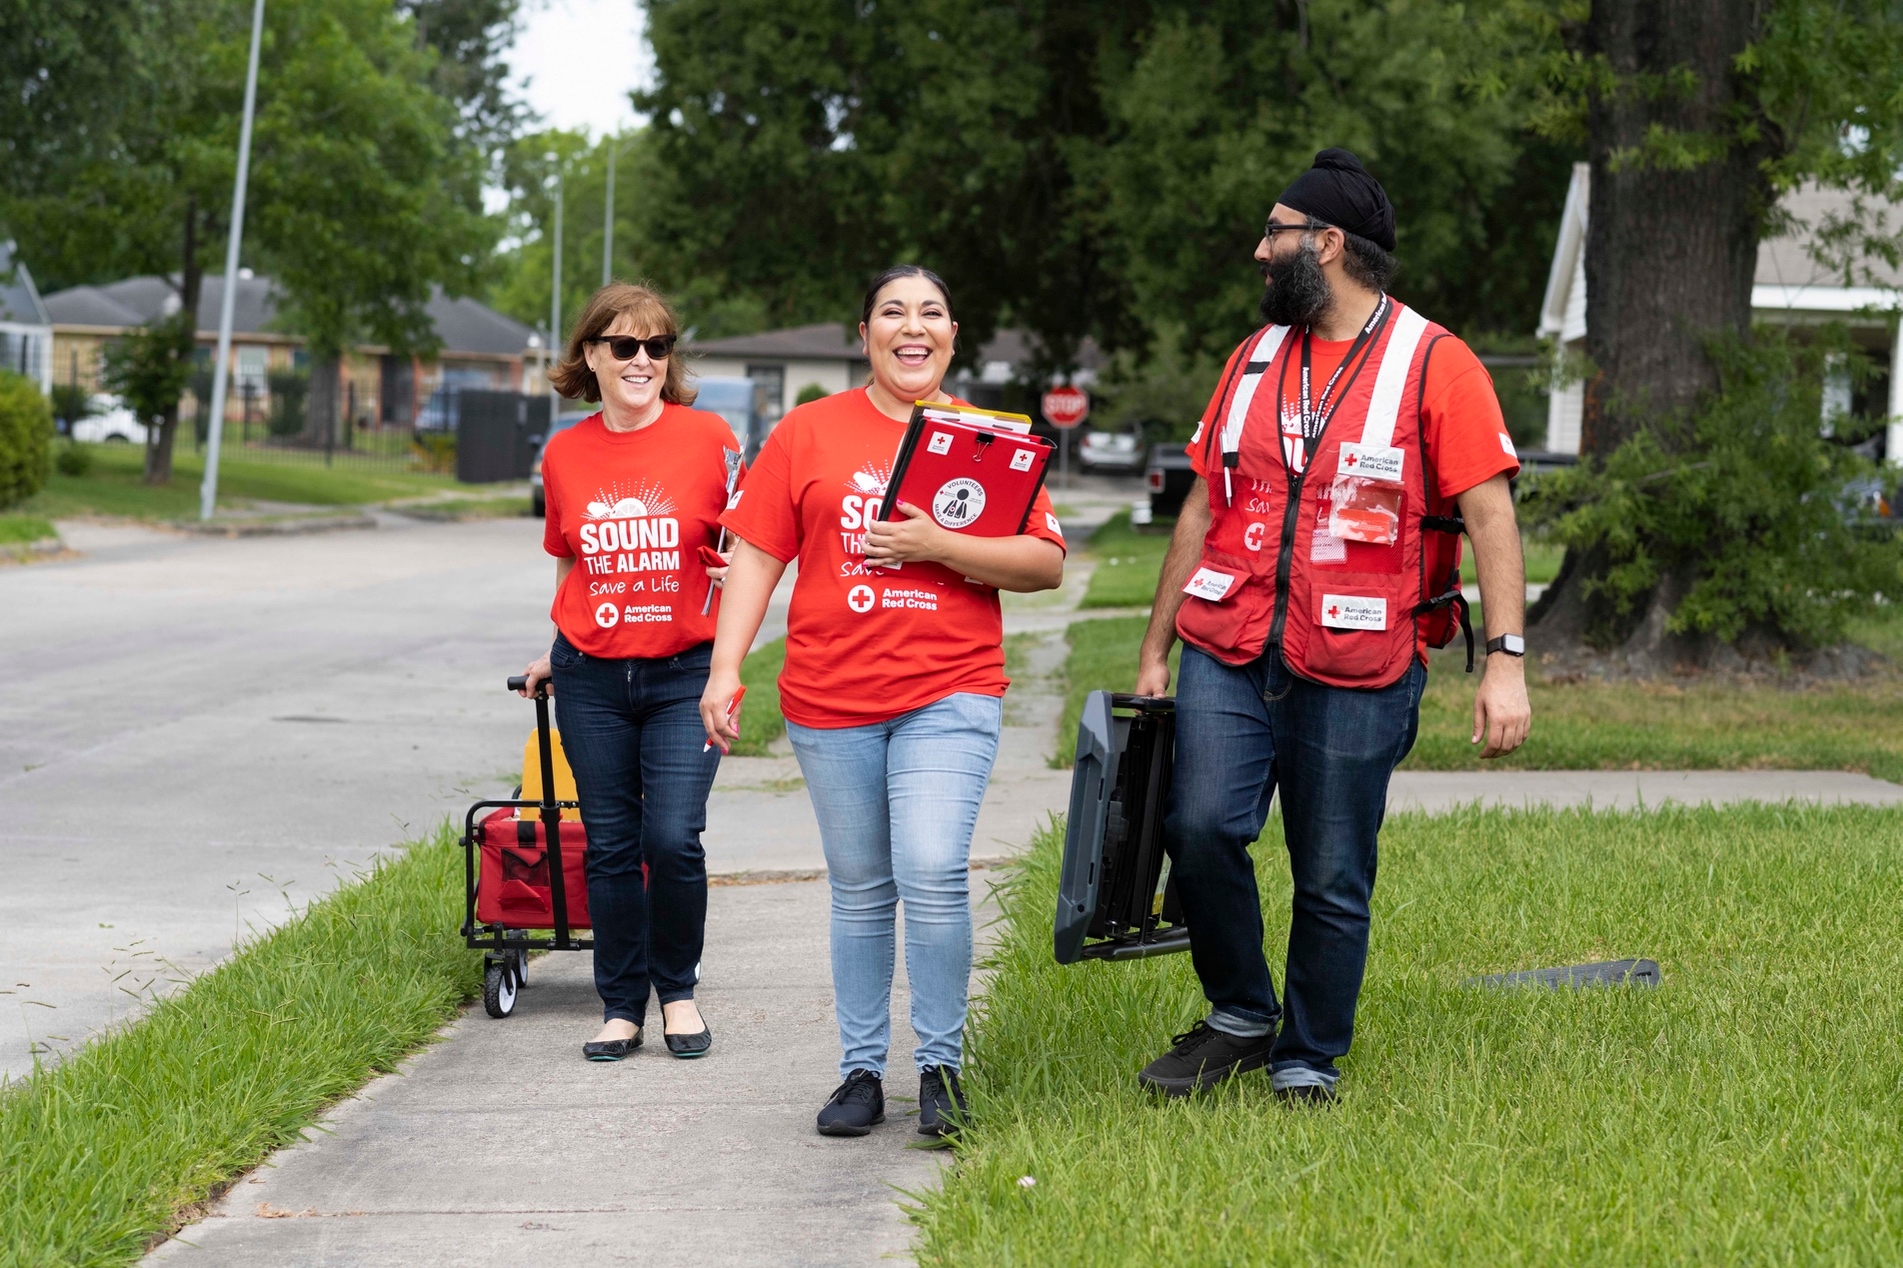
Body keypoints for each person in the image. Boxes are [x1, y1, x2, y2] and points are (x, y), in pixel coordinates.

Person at [1133, 149, 1533, 1101]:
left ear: (1327, 243)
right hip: (1227, 645)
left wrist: (1507, 661)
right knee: (1196, 829)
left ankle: (1306, 1056)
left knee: (1331, 869)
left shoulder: (1435, 361)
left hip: (1361, 656)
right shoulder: (1253, 354)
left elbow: (1491, 517)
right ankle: (1239, 1012)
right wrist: (1154, 647)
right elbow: (1200, 506)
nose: (1257, 251)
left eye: (1273, 233)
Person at [700, 266, 1066, 1139]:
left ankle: (941, 1069)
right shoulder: (807, 431)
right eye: (893, 313)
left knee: (933, 871)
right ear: (863, 332)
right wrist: (724, 669)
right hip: (830, 699)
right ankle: (861, 1072)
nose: (913, 327)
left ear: (952, 334)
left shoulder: (987, 438)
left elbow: (1045, 562)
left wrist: (938, 543)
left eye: (931, 312)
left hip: (950, 688)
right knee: (862, 890)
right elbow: (755, 555)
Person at [518, 282, 741, 1063]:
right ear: (590, 354)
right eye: (623, 345)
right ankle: (621, 1007)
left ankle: (676, 992)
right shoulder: (564, 451)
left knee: (674, 837)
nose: (642, 360)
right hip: (591, 676)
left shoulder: (711, 438)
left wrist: (732, 641)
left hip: (686, 671)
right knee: (611, 843)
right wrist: (556, 645)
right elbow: (570, 562)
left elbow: (747, 550)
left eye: (657, 346)